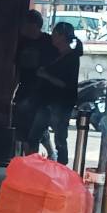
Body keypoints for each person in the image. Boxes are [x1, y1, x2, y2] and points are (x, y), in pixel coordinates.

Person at [30, 19, 81, 165]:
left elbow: (67, 84)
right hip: (47, 100)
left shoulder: (72, 58)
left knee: (59, 136)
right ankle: (34, 165)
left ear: (62, 36)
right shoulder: (56, 53)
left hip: (61, 102)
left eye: (55, 33)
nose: (52, 36)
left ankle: (61, 165)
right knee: (35, 134)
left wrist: (46, 76)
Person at [13, 9, 55, 155]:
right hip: (24, 89)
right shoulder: (22, 43)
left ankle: (39, 157)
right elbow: (17, 68)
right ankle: (28, 158)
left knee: (34, 130)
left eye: (25, 24)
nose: (22, 27)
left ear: (34, 25)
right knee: (23, 127)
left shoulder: (49, 42)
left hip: (41, 93)